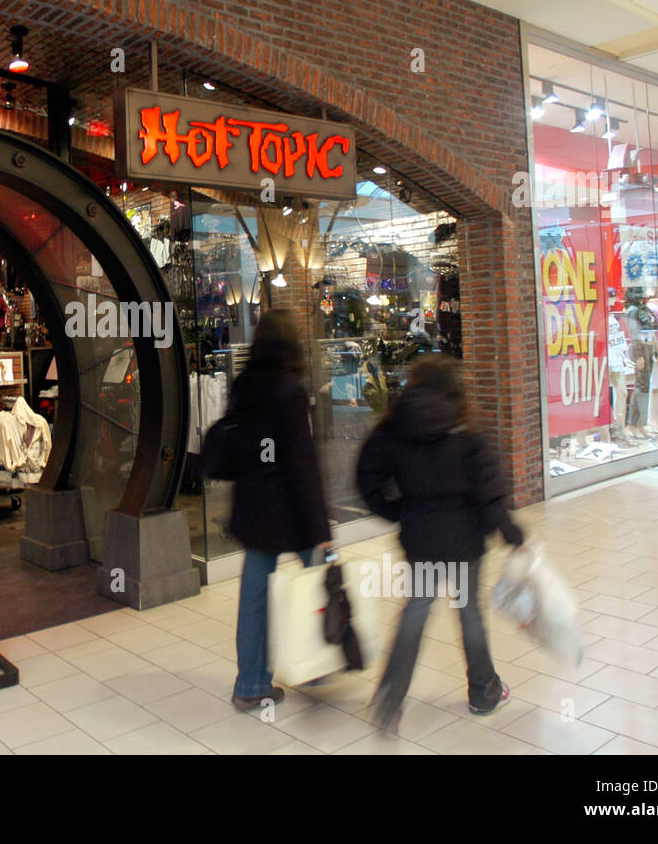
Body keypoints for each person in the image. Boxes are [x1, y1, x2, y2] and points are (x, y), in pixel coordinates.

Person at [355, 354, 524, 730]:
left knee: (414, 615)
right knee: (469, 615)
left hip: (420, 539)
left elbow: (366, 475)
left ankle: (389, 699)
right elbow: (489, 489)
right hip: (465, 541)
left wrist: (394, 510)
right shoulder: (464, 427)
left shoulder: (394, 426)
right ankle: (484, 692)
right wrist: (511, 532)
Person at [222, 308, 331, 712]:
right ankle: (322, 660)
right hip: (291, 510)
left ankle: (250, 684)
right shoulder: (289, 390)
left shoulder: (244, 385)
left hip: (254, 510)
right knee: (322, 578)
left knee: (253, 596)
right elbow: (301, 464)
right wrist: (320, 525)